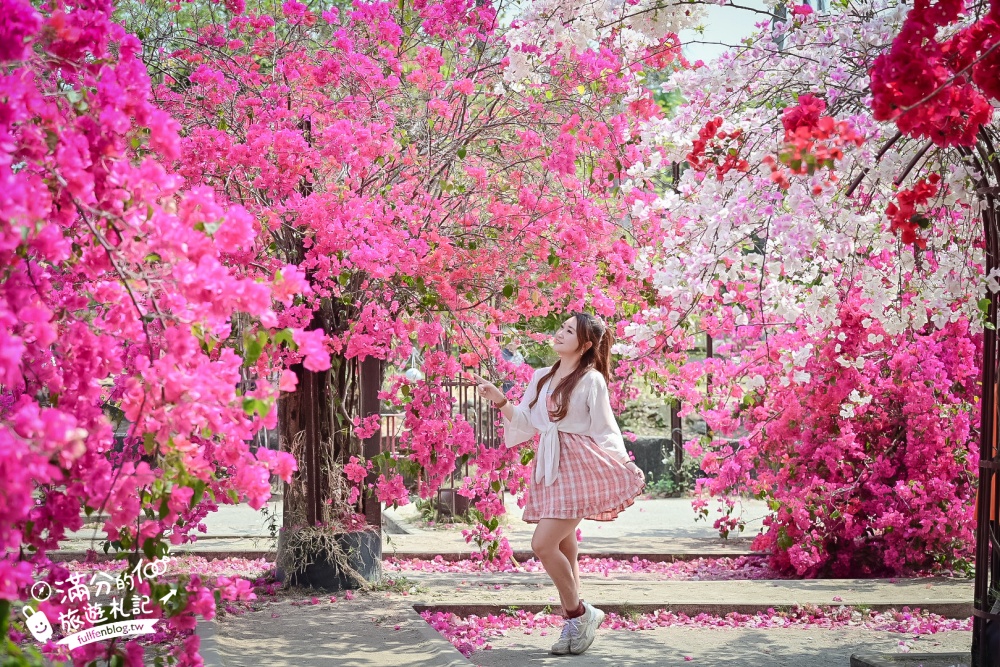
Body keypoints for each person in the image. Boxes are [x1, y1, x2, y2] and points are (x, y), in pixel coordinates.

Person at [472, 312, 645, 656]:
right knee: (565, 547)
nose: (560, 333)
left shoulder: (591, 380)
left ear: (585, 345)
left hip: (581, 465)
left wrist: (621, 464)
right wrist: (500, 399)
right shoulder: (541, 377)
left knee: (542, 544)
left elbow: (604, 428)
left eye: (570, 331)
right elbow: (526, 423)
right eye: (562, 327)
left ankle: (579, 613)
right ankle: (575, 626)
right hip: (550, 464)